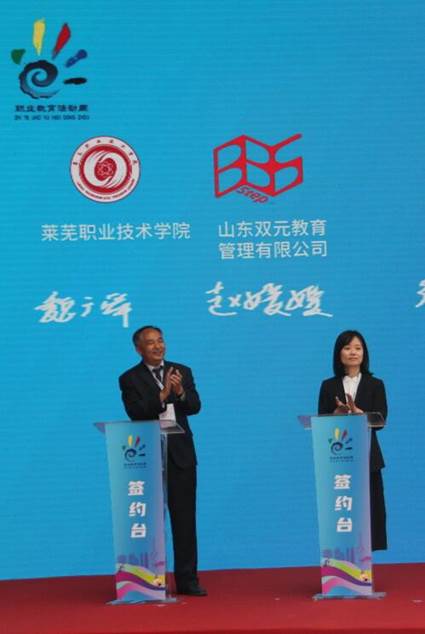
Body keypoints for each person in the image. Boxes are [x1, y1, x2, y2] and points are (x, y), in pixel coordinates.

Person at [119, 325, 207, 596]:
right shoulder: (129, 378)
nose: (158, 346)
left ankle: (188, 580)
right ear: (139, 349)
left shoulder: (182, 371)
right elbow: (136, 412)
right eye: (150, 343)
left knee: (185, 520)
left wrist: (179, 392)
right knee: (150, 520)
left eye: (160, 341)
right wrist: (162, 394)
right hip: (147, 457)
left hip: (180, 455)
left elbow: (194, 406)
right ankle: (149, 580)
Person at [318, 330, 388, 551]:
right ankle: (340, 555)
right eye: (347, 348)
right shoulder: (328, 386)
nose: (353, 352)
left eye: (358, 348)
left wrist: (360, 414)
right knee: (341, 511)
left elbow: (381, 421)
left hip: (367, 458)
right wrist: (336, 414)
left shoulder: (375, 384)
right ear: (339, 354)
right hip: (338, 461)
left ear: (364, 353)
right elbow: (321, 421)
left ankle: (365, 559)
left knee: (369, 509)